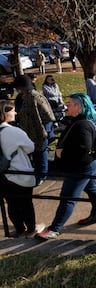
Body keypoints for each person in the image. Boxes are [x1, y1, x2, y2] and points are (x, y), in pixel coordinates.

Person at [35, 93, 96, 240]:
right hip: (92, 162)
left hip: (81, 166)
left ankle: (55, 229)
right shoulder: (88, 119)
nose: (67, 106)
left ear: (79, 107)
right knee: (92, 187)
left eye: (70, 104)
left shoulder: (82, 125)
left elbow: (83, 148)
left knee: (68, 197)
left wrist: (62, 153)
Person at [0, 100, 44, 237]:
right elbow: (30, 147)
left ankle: (19, 229)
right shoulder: (13, 131)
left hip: (3, 175)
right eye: (12, 110)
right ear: (5, 113)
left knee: (12, 204)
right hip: (18, 173)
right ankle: (31, 229)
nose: (15, 112)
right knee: (26, 203)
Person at [13, 75, 55, 185]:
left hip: (39, 133)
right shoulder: (20, 98)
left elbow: (48, 116)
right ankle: (36, 174)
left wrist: (47, 132)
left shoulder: (36, 97)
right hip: (27, 132)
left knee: (41, 155)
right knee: (34, 156)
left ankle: (42, 176)